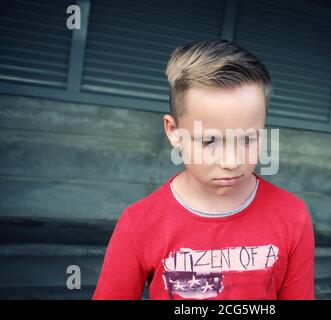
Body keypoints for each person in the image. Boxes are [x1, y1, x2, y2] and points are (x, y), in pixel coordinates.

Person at [93, 39, 315, 300]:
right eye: (210, 140)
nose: (231, 161)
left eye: (247, 139)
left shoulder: (293, 216)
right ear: (174, 132)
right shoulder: (138, 223)